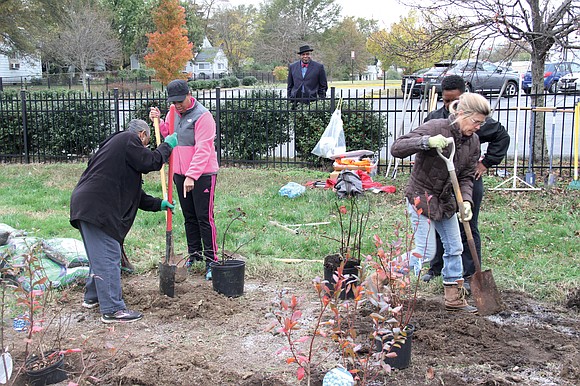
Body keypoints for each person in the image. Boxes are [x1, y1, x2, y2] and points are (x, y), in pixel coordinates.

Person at [391, 93, 492, 313]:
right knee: (426, 251)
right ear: (461, 114)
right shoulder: (436, 126)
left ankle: (453, 297)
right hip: (422, 196)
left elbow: (466, 175)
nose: (477, 128)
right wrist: (425, 142)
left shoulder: (473, 141)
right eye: (476, 122)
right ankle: (384, 275)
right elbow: (397, 148)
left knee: (455, 247)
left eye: (481, 124)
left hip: (446, 202)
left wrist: (465, 201)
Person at [70, 119, 177, 323]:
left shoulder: (116, 151)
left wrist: (158, 204)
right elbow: (150, 162)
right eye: (145, 144)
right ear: (142, 135)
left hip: (88, 204)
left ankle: (92, 297)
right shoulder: (128, 139)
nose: (143, 148)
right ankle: (112, 309)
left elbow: (135, 194)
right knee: (109, 254)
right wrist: (167, 146)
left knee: (99, 255)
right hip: (98, 207)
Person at [421, 75, 510, 292]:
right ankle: (437, 267)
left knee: (467, 225)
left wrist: (485, 164)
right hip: (442, 183)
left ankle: (471, 272)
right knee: (440, 222)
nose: (450, 104)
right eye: (446, 100)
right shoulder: (436, 119)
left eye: (456, 100)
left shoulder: (476, 121)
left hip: (467, 179)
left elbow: (502, 137)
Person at [149, 79, 219, 280]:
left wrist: (192, 175)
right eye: (174, 101)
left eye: (180, 100)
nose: (178, 105)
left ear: (189, 94)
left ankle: (211, 261)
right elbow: (170, 135)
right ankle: (194, 254)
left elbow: (203, 149)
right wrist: (159, 121)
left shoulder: (203, 117)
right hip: (179, 173)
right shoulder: (173, 112)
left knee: (204, 217)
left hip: (202, 175)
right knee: (189, 216)